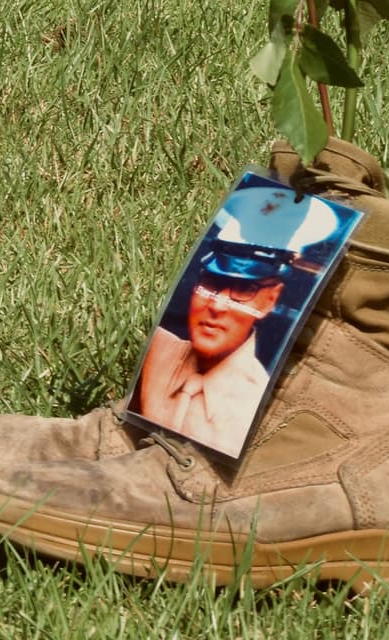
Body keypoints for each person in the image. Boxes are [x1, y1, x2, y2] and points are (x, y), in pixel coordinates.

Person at [134, 184, 341, 459]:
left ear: (269, 300)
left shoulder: (253, 409)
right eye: (212, 283)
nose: (218, 304)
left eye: (244, 291)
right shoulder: (156, 357)